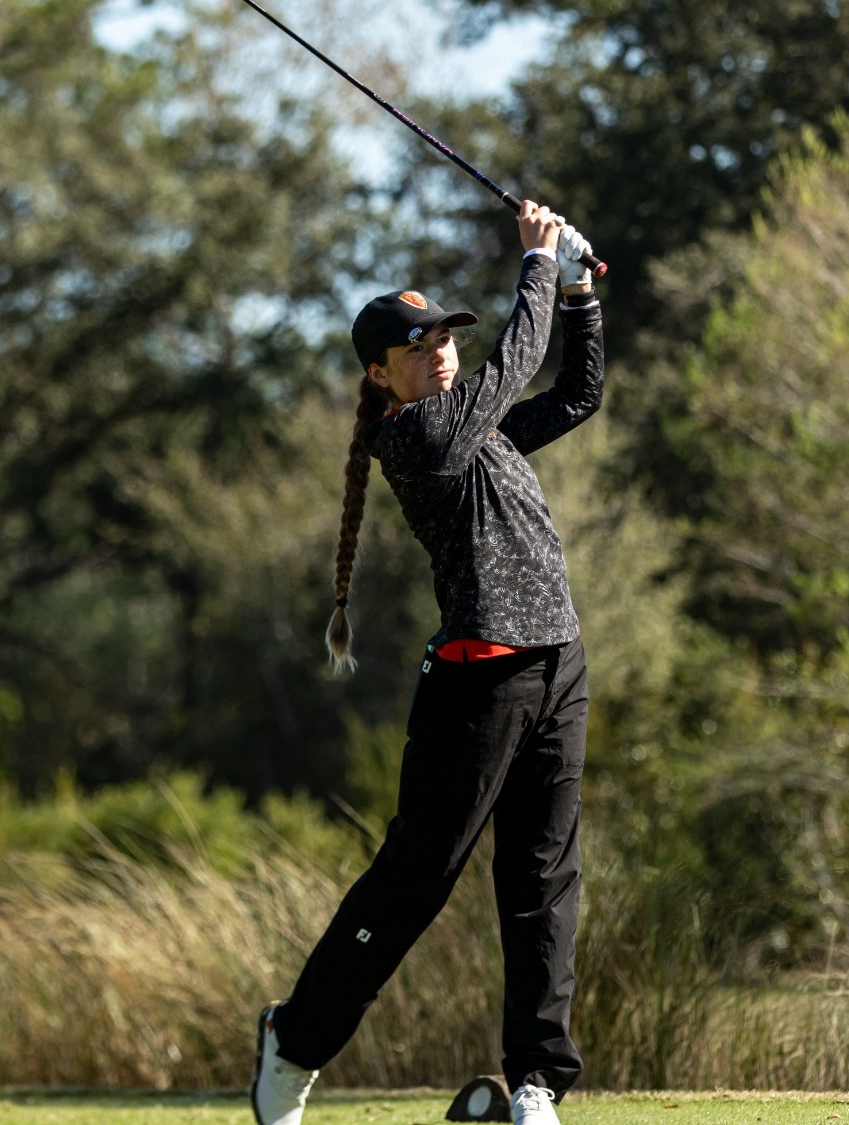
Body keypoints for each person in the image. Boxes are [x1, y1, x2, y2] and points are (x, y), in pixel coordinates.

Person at [252, 201, 604, 1125]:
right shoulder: (415, 439)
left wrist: (577, 296)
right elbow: (513, 370)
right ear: (381, 373)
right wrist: (536, 263)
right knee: (415, 884)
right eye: (416, 347)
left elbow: (574, 396)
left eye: (443, 336)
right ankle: (293, 1045)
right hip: (476, 683)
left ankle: (535, 1085)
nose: (439, 351)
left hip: (557, 663)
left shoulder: (481, 430)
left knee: (543, 882)